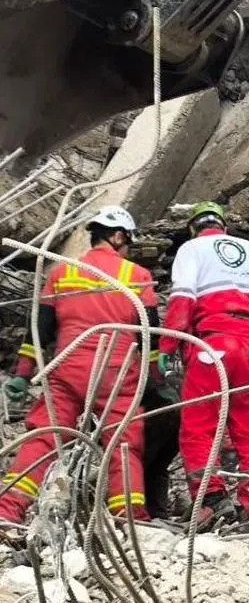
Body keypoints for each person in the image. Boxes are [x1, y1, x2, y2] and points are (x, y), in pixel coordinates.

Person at [0, 206, 158, 531]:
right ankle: (130, 520)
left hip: (67, 367)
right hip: (116, 372)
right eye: (127, 243)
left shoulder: (62, 272)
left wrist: (21, 374)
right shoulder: (137, 276)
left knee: (44, 438)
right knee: (122, 444)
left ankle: (8, 510)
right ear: (117, 237)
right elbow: (150, 339)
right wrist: (155, 380)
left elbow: (39, 330)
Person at [159, 202, 249, 531]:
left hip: (212, 344)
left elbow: (182, 299)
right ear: (223, 226)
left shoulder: (191, 249)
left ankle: (212, 501)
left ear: (194, 228)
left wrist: (168, 345)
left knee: (199, 427)